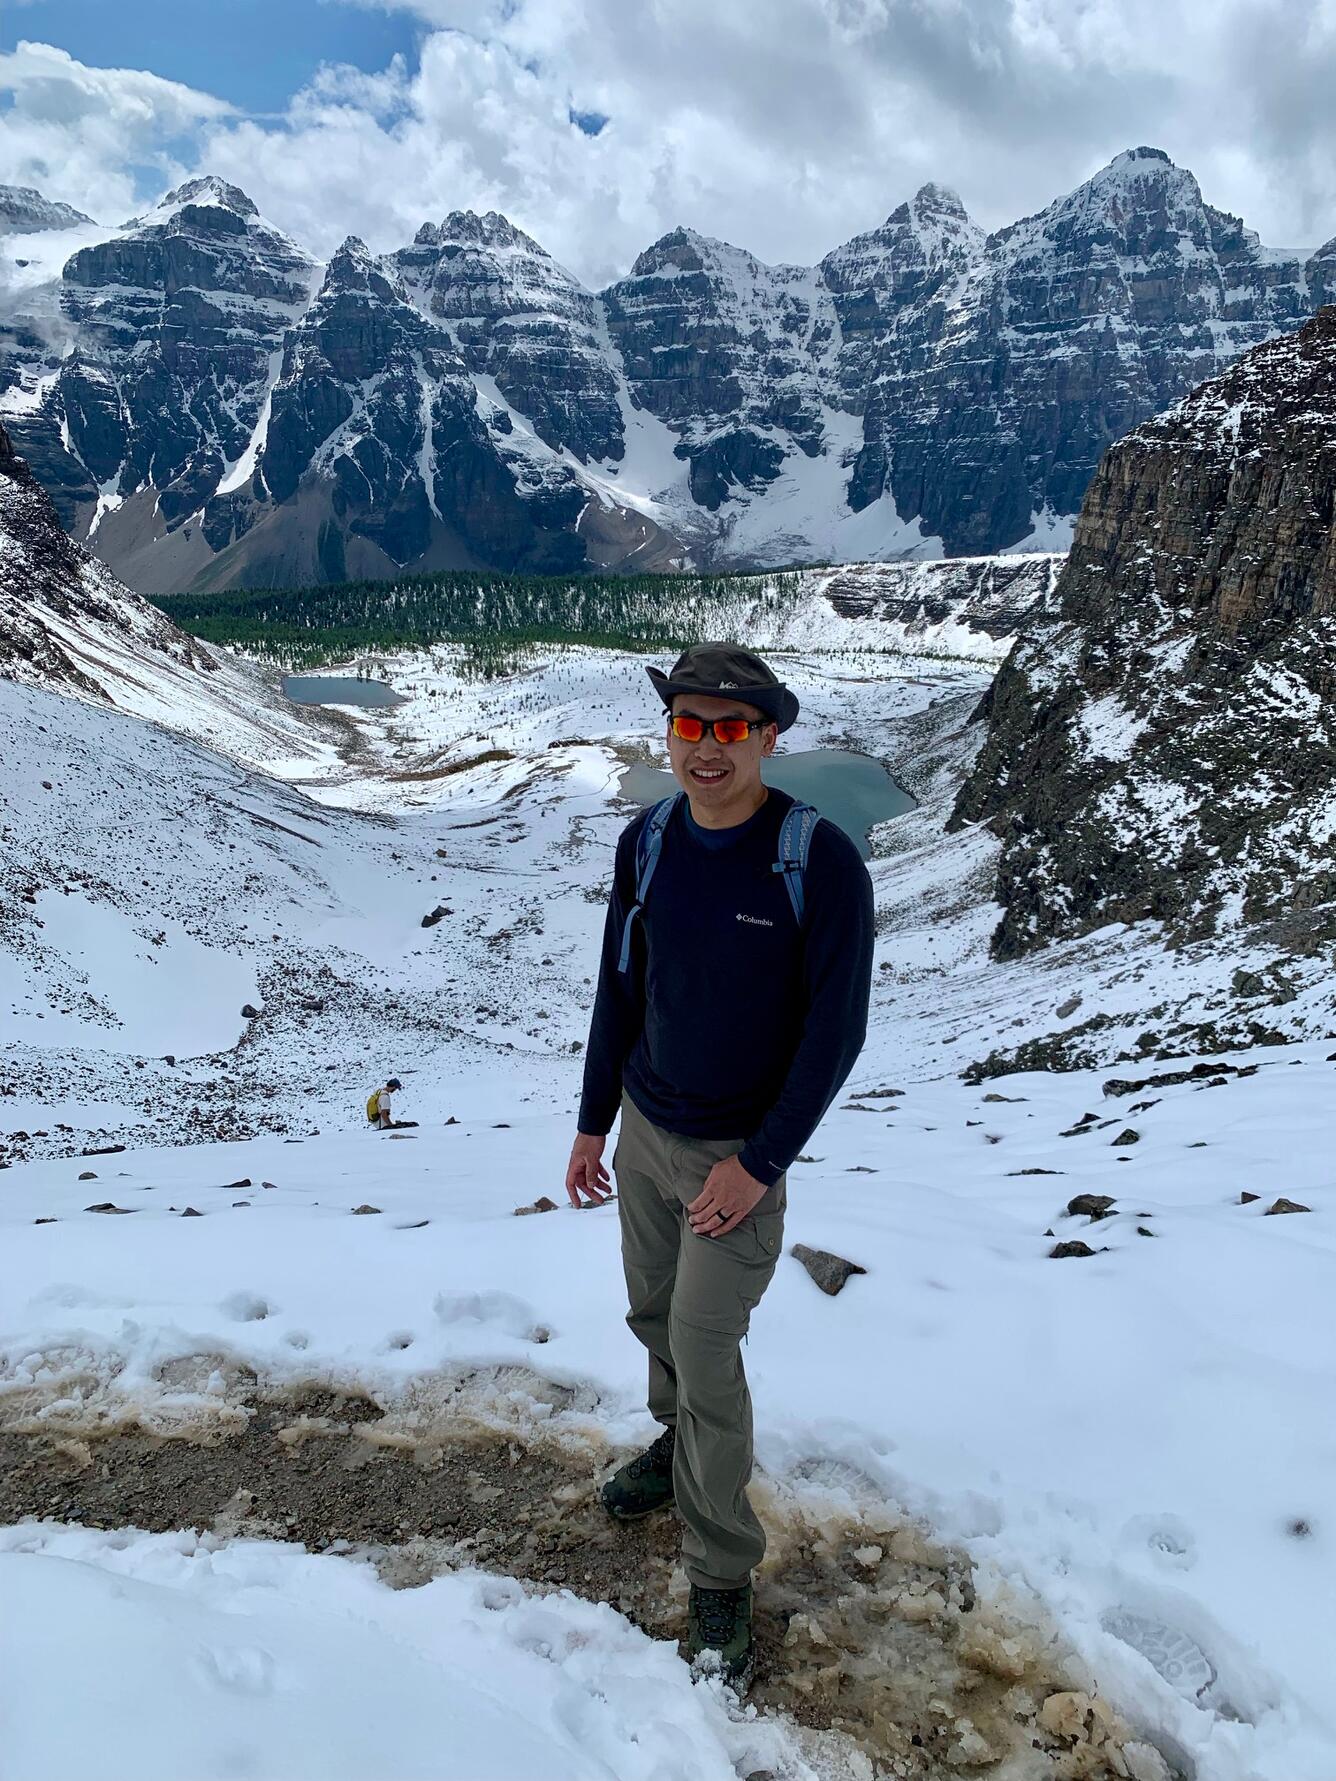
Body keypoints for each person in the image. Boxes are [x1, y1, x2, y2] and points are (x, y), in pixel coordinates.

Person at [565, 643, 874, 1691]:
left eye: (728, 728)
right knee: (653, 1315)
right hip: (647, 1132)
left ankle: (721, 1569)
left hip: (734, 1160)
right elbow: (620, 986)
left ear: (767, 736)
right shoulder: (646, 841)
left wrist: (758, 1163)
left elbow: (833, 1034)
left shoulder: (815, 859)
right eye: (688, 725)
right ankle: (674, 1449)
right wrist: (591, 1122)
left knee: (703, 1350)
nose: (704, 747)